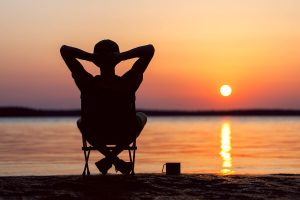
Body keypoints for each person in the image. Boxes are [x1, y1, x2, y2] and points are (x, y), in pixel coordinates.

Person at [60, 40, 154, 175]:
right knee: (142, 116)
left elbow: (65, 50)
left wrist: (92, 58)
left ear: (96, 60)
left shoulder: (87, 83)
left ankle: (111, 160)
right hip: (123, 132)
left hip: (97, 133)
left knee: (81, 122)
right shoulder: (128, 82)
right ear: (116, 58)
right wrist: (121, 57)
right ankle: (113, 160)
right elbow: (149, 50)